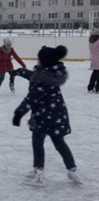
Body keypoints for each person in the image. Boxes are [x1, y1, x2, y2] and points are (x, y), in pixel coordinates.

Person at [12, 45, 82, 187]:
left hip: (42, 118)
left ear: (44, 61)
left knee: (37, 144)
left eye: (39, 58)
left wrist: (18, 113)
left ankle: (39, 175)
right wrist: (21, 72)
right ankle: (73, 170)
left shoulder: (41, 80)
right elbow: (35, 76)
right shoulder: (52, 75)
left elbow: (31, 98)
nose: (37, 60)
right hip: (57, 116)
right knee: (60, 143)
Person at [87, 28, 99, 93]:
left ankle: (90, 87)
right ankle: (98, 88)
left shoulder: (91, 40)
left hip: (94, 59)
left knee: (95, 73)